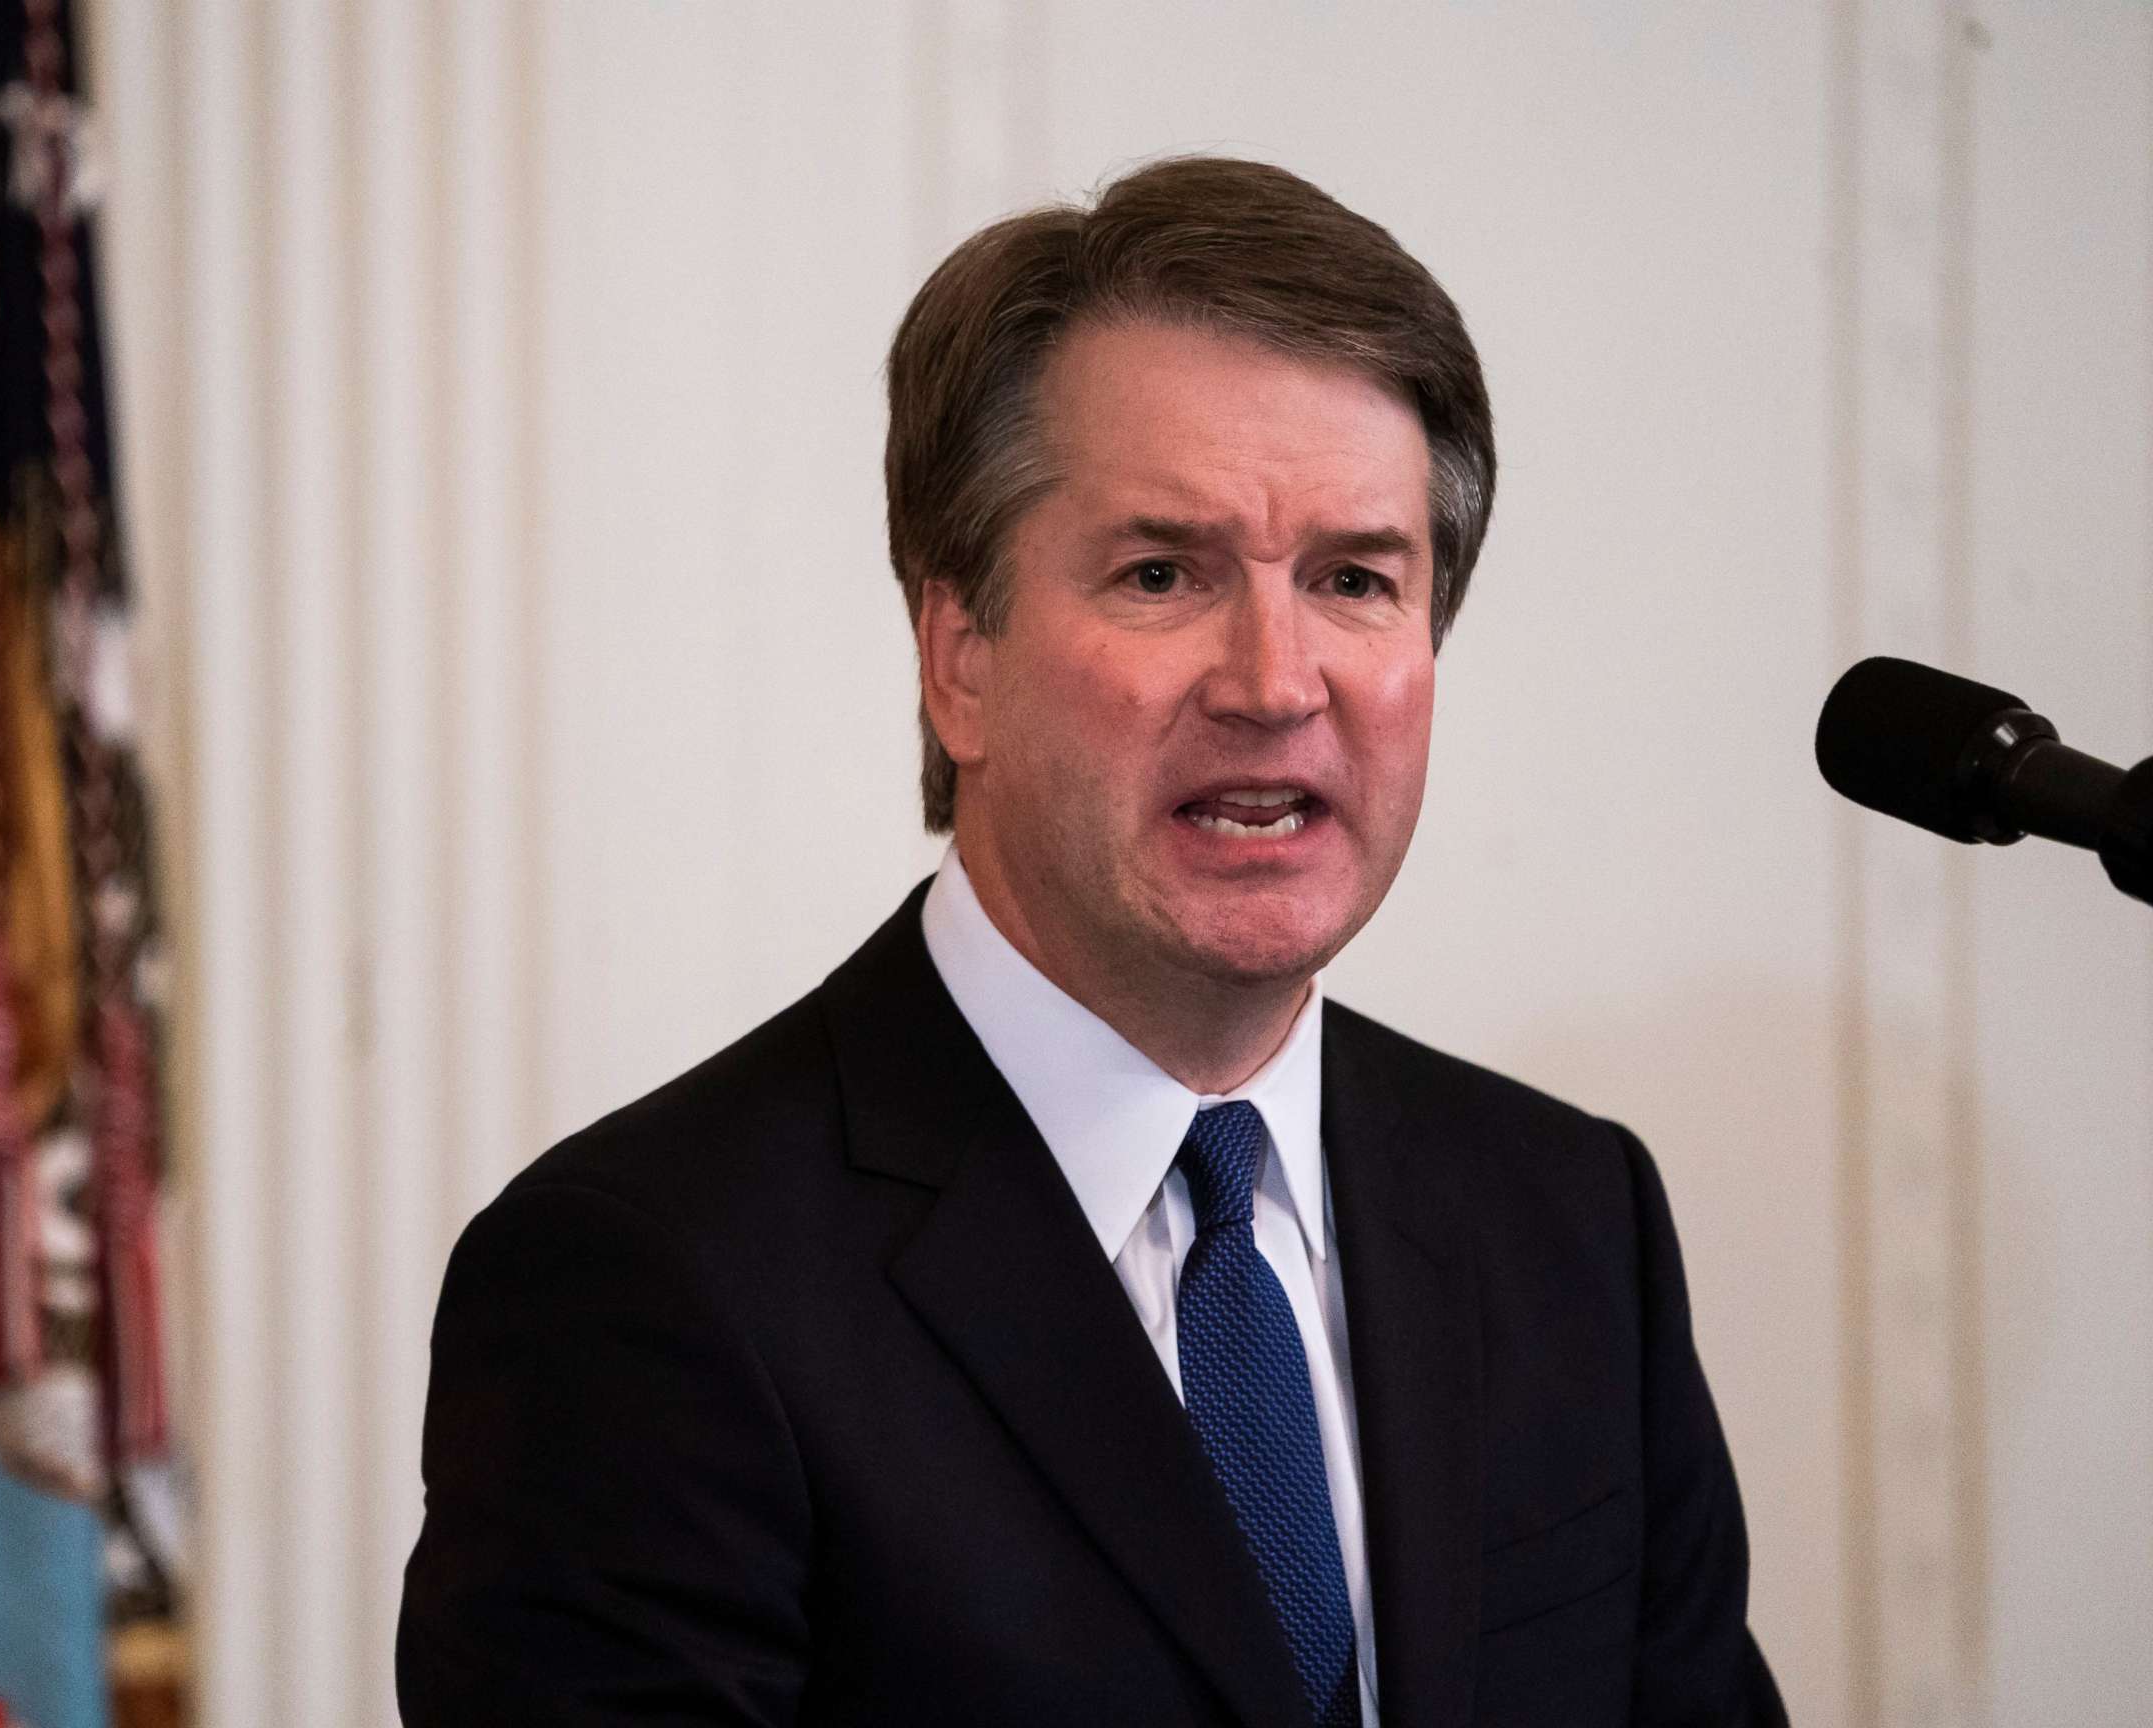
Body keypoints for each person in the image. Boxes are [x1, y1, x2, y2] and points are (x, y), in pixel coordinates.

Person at [396, 155, 1787, 1727]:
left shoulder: (1566, 1221)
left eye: (1353, 580)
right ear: (960, 658)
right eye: (1160, 574)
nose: (1276, 679)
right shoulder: (648, 1283)